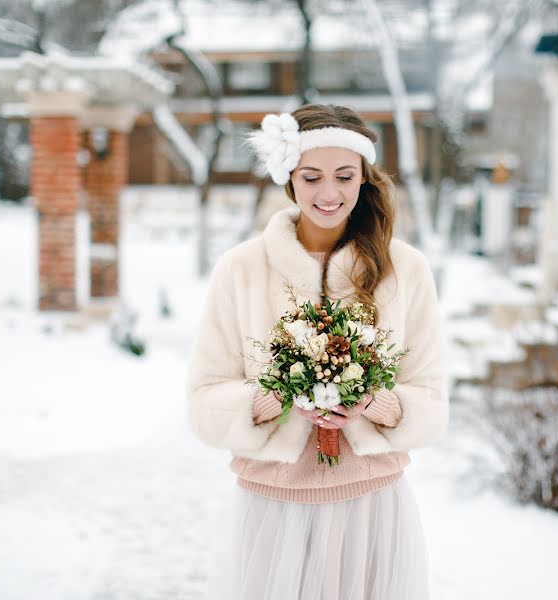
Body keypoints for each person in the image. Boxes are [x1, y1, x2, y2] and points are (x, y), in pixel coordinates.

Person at [187, 104, 448, 600]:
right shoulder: (241, 268)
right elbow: (205, 393)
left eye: (344, 177)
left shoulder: (406, 268)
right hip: (275, 503)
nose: (328, 194)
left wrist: (374, 402)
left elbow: (429, 390)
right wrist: (272, 399)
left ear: (363, 180)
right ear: (290, 181)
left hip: (371, 499)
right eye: (311, 178)